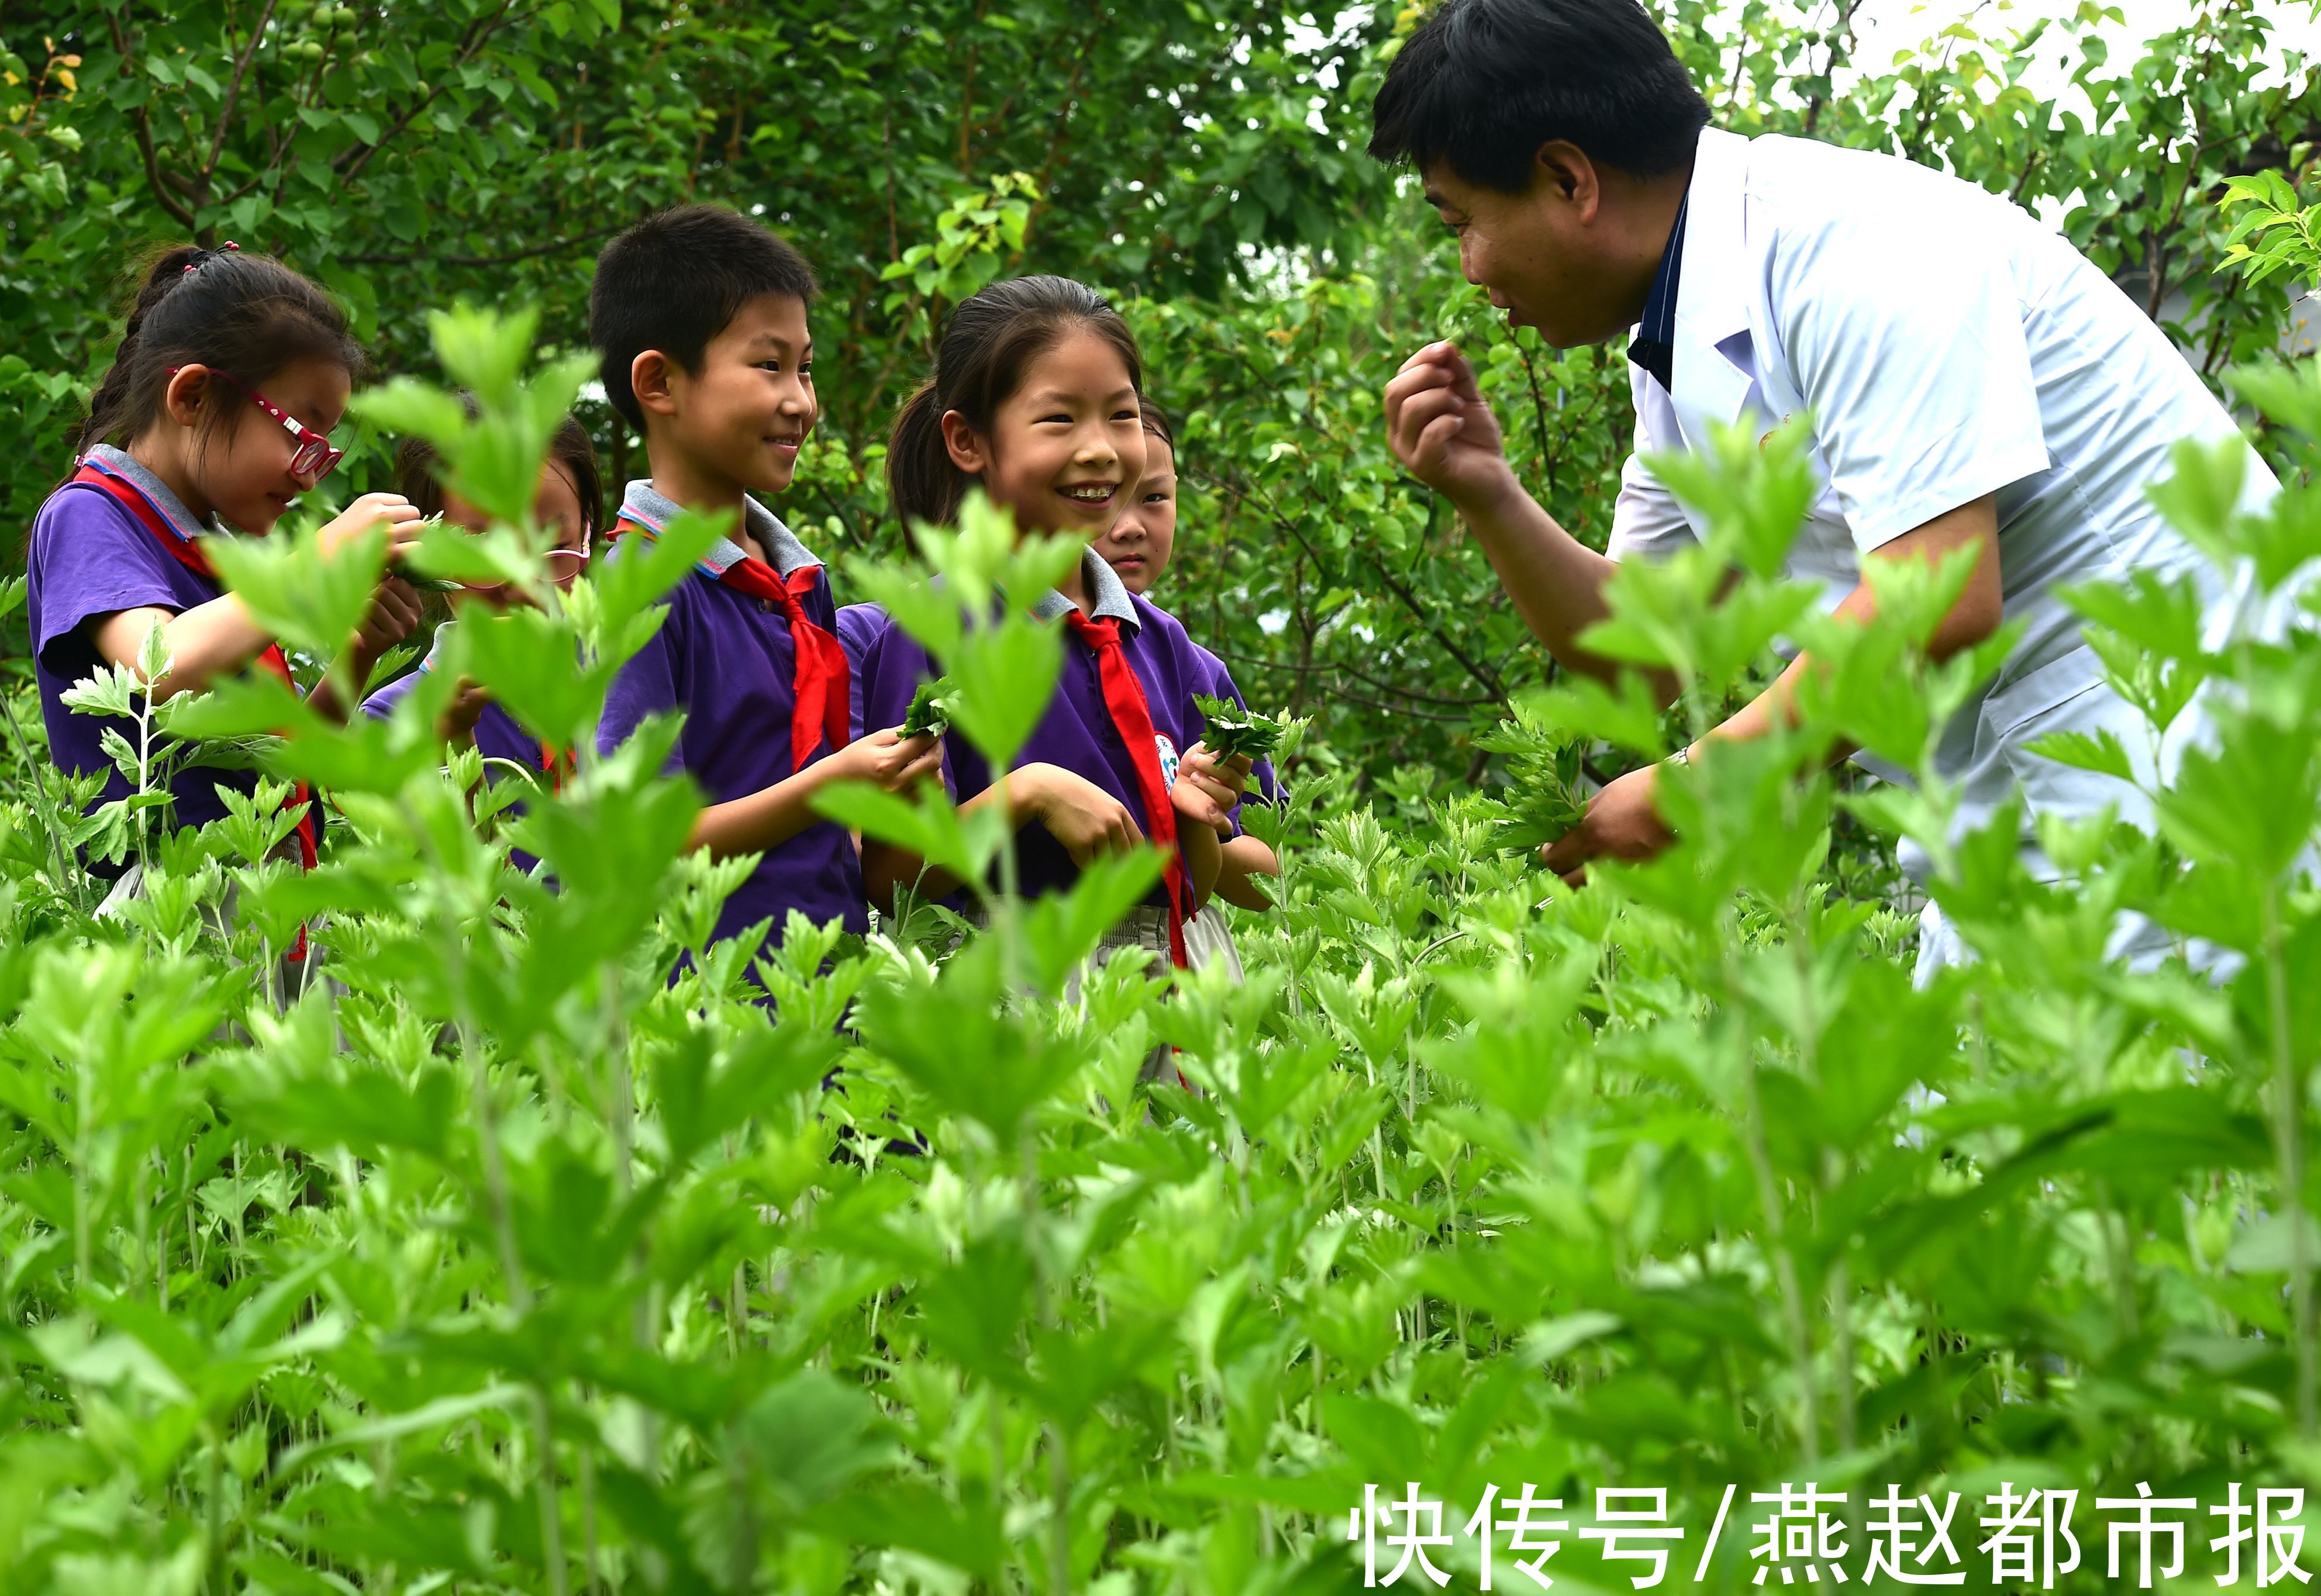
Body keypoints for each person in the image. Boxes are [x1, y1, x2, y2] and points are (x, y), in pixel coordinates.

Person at [1368, 0, 2277, 975]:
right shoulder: (1676, 329)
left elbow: (1932, 597)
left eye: (1462, 223)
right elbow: (1650, 653)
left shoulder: (1850, 242)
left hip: (2188, 759)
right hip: (2023, 803)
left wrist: (1694, 789)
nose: (1469, 268)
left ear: (1565, 178)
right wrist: (1487, 495)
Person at [857, 275, 1251, 976]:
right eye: (1060, 419)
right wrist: (1025, 794)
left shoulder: (1170, 651)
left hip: (1186, 977)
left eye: (1121, 416)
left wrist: (1196, 815)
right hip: (1018, 985)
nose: (1101, 450)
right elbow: (891, 875)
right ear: (968, 441)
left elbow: (1206, 880)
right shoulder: (935, 631)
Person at [589, 205, 944, 959]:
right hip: (707, 1002)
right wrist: (836, 783)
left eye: (805, 367)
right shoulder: (641, 589)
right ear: (659, 383)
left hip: (824, 992)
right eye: (768, 365)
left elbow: (836, 837)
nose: (801, 401)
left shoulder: (802, 585)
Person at [25, 243, 425, 883]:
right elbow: (160, 665)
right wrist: (318, 558)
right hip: (171, 919)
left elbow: (285, 764)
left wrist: (361, 648)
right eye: (303, 438)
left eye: (325, 453)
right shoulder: (91, 514)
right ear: (194, 397)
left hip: (263, 916)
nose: (311, 476)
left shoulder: (220, 560)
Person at [1090, 402, 1282, 977]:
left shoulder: (1192, 668)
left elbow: (1268, 876)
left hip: (1182, 955)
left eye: (1154, 498)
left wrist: (1204, 824)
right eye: (1108, 500)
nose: (1130, 526)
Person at [360, 413, 603, 808]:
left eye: (554, 545)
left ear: (586, 536)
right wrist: (455, 742)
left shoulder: (640, 684)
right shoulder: (391, 723)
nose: (522, 584)